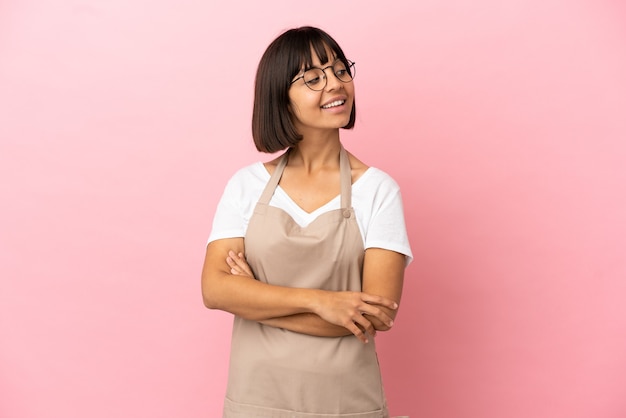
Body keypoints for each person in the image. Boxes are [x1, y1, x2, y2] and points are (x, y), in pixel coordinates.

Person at [201, 26, 413, 418]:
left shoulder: (378, 191)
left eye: (340, 70)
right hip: (256, 398)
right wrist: (322, 301)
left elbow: (373, 316)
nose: (335, 85)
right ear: (280, 97)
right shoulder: (246, 185)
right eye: (314, 78)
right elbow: (215, 290)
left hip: (345, 402)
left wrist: (252, 296)